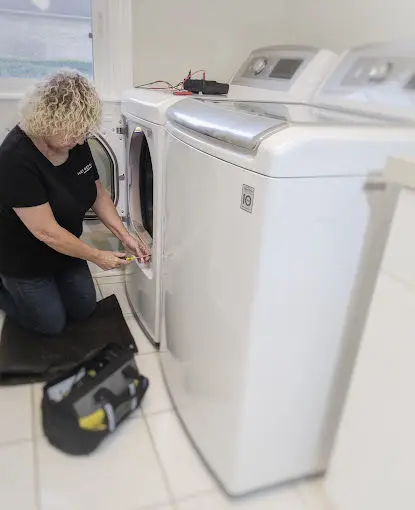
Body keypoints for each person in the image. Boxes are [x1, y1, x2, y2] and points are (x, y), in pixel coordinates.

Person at [0, 70, 151, 336]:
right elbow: (45, 231)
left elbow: (97, 193)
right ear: (46, 122)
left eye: (84, 133)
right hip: (23, 257)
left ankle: (51, 286)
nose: (81, 140)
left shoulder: (74, 142)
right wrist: (97, 256)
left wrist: (124, 235)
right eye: (74, 134)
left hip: (63, 247)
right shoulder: (15, 158)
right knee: (50, 324)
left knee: (83, 309)